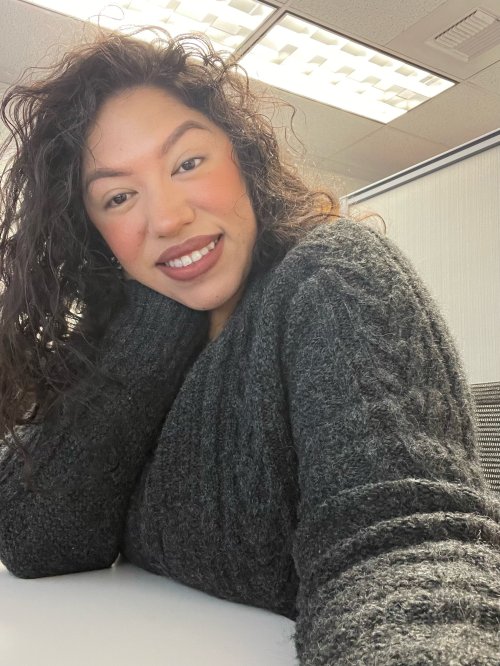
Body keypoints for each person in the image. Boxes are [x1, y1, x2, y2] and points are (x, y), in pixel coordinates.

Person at [1, 28, 500, 666]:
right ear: (94, 234)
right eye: (119, 197)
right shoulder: (132, 338)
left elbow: (407, 547)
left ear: (242, 157)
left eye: (188, 163)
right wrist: (153, 315)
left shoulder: (332, 277)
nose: (168, 217)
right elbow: (37, 538)